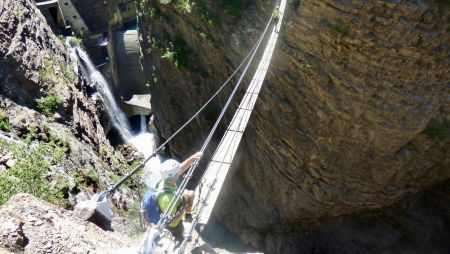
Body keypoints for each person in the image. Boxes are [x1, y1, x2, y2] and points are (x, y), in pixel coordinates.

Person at [155, 151, 203, 239]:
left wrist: (193, 157)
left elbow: (180, 168)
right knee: (179, 233)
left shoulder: (166, 178)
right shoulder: (167, 200)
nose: (180, 172)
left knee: (190, 193)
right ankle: (179, 237)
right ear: (175, 176)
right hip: (173, 225)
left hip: (174, 198)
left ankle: (188, 216)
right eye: (178, 172)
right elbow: (173, 220)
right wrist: (184, 206)